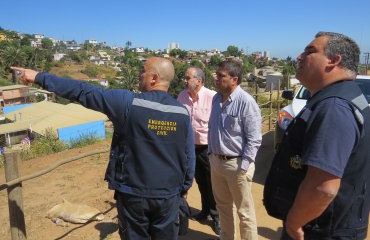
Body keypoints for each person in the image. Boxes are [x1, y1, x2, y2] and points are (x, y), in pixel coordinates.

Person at [11, 57, 195, 240]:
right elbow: (189, 155)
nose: (140, 75)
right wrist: (184, 188)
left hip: (133, 195)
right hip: (169, 195)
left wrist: (39, 77)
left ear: (154, 78)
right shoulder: (182, 112)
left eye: (143, 71)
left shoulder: (127, 103)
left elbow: (83, 91)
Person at [263, 32, 370, 240]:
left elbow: (324, 187)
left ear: (334, 60)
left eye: (310, 51)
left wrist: (294, 222)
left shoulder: (334, 107)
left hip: (319, 230)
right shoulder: (345, 97)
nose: (299, 57)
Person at [208, 60, 262, 240]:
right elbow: (213, 129)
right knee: (223, 207)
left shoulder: (246, 102)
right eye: (217, 75)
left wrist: (244, 166)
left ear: (234, 79)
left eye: (221, 76)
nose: (217, 79)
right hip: (216, 162)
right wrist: (211, 155)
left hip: (237, 164)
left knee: (244, 213)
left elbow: (254, 139)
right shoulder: (216, 99)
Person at [177, 67, 220, 235]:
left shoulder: (212, 97)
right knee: (200, 181)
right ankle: (205, 211)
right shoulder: (181, 96)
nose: (185, 81)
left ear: (199, 81)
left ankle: (217, 217)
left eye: (188, 78)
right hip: (188, 148)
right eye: (185, 78)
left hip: (207, 148)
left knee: (212, 183)